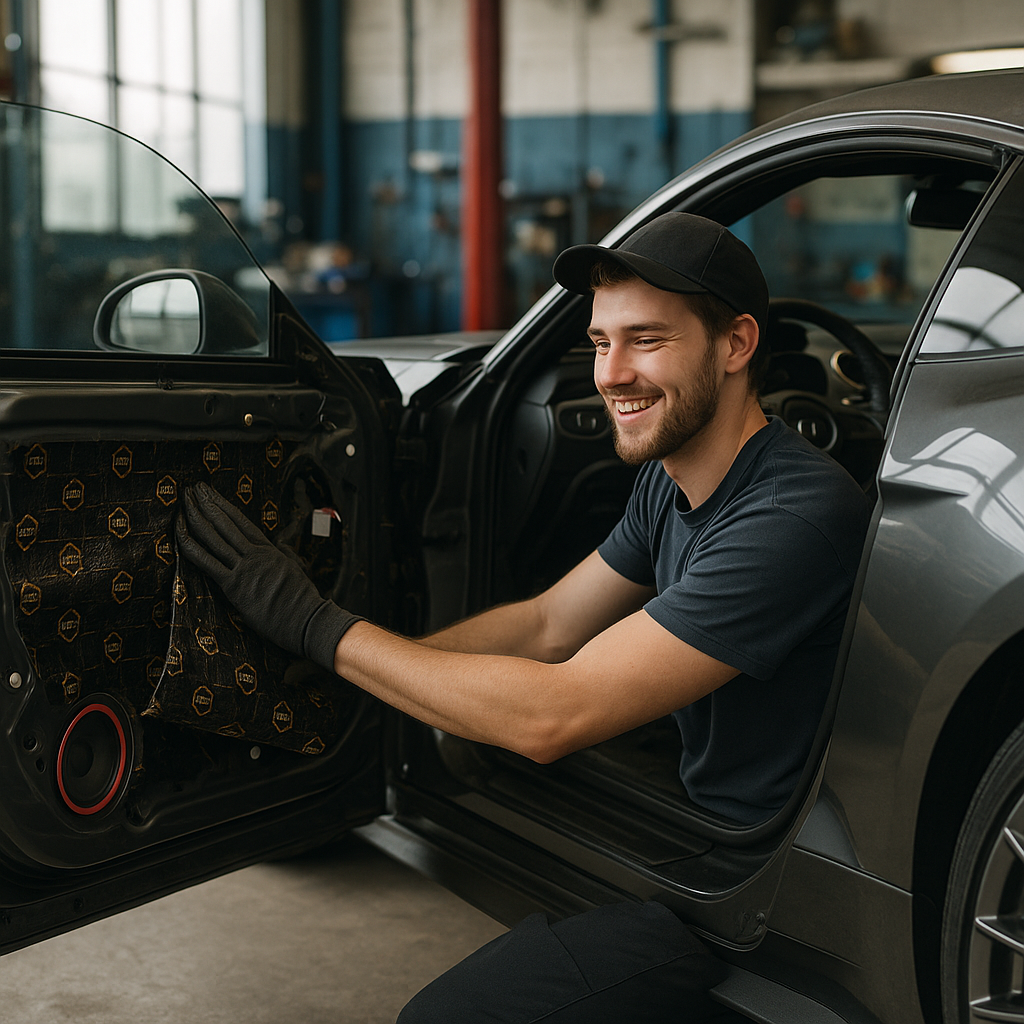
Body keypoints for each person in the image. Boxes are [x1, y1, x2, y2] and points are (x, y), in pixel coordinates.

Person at [177, 212, 872, 1022]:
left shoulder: (793, 514)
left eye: (647, 339)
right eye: (601, 341)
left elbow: (556, 713)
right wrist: (372, 666)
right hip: (705, 843)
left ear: (736, 344)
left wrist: (315, 627)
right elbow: (546, 624)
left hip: (765, 905)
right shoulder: (676, 477)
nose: (612, 373)